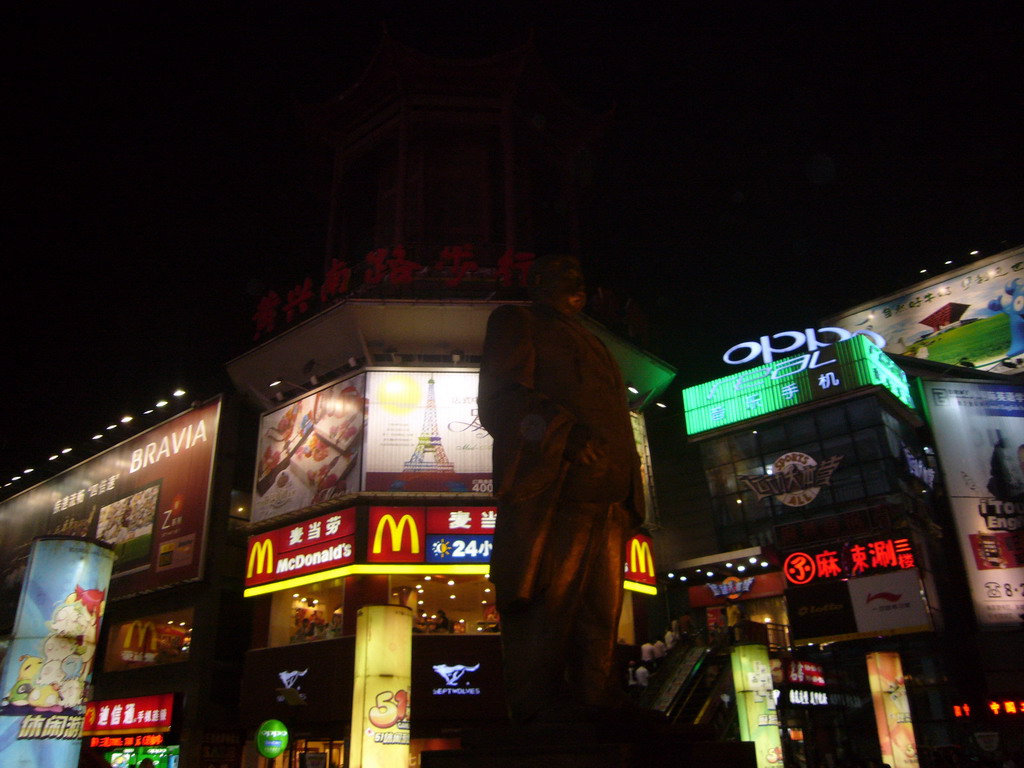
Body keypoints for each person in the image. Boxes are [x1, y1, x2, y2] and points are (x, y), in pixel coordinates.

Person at [479, 254, 646, 727]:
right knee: (549, 598)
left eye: (582, 279)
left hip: (611, 493)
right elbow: (500, 398)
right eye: (565, 277)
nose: (578, 287)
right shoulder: (517, 321)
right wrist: (562, 433)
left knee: (602, 607)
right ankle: (537, 705)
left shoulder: (594, 341)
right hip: (557, 486)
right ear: (536, 282)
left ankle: (597, 695)